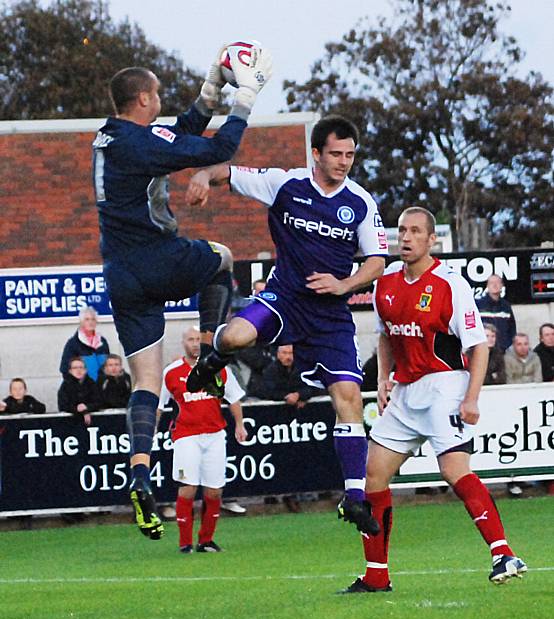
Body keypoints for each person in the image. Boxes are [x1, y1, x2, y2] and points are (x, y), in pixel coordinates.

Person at [92, 45, 272, 539]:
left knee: (145, 382)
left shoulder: (111, 137)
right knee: (222, 258)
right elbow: (216, 150)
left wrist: (210, 92)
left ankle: (139, 473)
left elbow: (179, 135)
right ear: (146, 99)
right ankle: (212, 361)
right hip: (153, 257)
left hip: (121, 274)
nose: (160, 101)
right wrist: (246, 96)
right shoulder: (138, 144)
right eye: (158, 95)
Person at [185, 115, 389, 535]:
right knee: (238, 335)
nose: (344, 162)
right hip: (285, 298)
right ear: (316, 153)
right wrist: (204, 174)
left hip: (330, 314)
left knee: (348, 397)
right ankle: (211, 359)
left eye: (350, 154)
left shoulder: (361, 202)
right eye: (336, 153)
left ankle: (353, 498)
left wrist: (345, 283)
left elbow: (377, 262)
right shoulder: (286, 184)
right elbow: (230, 173)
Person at [340, 207, 526, 594]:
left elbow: (478, 347)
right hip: (407, 391)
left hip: (445, 385)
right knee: (372, 474)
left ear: (431, 240)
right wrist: (383, 381)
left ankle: (503, 553)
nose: (405, 238)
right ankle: (376, 575)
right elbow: (386, 336)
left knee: (454, 470)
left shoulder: (449, 283)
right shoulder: (385, 281)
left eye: (415, 232)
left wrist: (471, 399)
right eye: (401, 231)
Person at [158, 327, 247, 553]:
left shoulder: (218, 369)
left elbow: (233, 398)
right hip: (186, 435)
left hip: (215, 434)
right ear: (183, 343)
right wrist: (149, 431)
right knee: (188, 487)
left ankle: (206, 540)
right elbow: (158, 405)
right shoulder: (171, 372)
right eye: (191, 339)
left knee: (215, 490)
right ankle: (184, 542)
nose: (195, 343)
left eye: (198, 339)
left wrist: (239, 424)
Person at [59, 306, 110, 381]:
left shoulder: (102, 342)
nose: (90, 322)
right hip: (83, 389)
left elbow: (108, 365)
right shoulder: (73, 343)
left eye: (93, 319)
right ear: (81, 322)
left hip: (101, 389)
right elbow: (65, 369)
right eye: (87, 319)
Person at [476, 274, 516, 353]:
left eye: (497, 282)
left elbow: (512, 328)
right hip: (483, 351)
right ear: (487, 286)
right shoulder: (478, 305)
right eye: (491, 283)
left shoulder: (506, 306)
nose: (495, 285)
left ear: (502, 285)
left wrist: (508, 345)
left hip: (503, 351)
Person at [57, 357, 103, 425]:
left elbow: (99, 402)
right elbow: (63, 405)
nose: (78, 370)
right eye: (75, 368)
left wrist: (87, 407)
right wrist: (77, 409)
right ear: (70, 371)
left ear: (85, 370)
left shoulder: (92, 384)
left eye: (81, 367)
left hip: (93, 424)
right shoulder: (65, 386)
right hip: (71, 423)